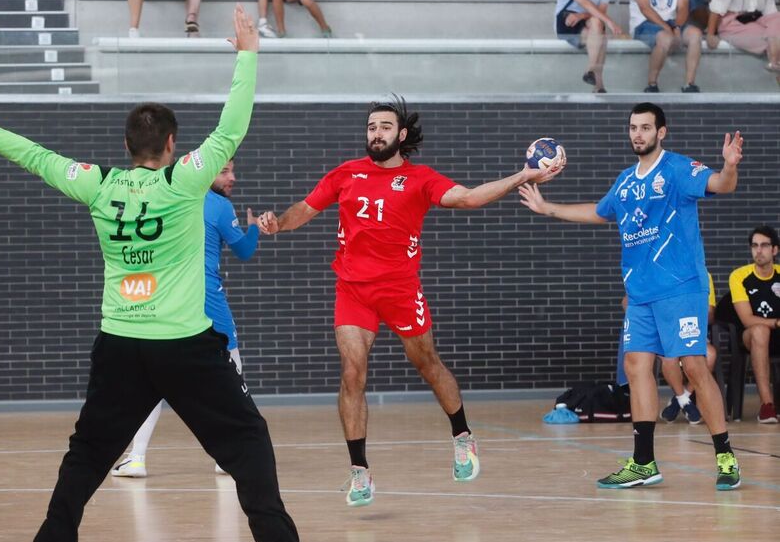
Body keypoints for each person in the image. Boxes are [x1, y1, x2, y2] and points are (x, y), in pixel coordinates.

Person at [0, 6, 302, 542]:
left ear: (127, 147)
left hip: (120, 345)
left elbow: (33, 156)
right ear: (171, 144)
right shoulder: (187, 180)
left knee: (88, 453)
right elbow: (232, 126)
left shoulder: (98, 185)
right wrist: (248, 53)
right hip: (186, 348)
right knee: (248, 443)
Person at [256, 95, 563, 507]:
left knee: (427, 364)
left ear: (400, 135)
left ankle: (462, 436)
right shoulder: (346, 174)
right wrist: (278, 224)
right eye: (371, 127)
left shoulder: (420, 179)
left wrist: (521, 176)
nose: (376, 134)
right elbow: (304, 210)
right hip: (353, 290)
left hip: (401, 290)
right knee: (352, 372)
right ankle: (359, 472)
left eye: (384, 127)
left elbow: (469, 198)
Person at [519, 102, 743, 490]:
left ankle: (724, 455)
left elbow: (722, 185)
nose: (637, 133)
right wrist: (548, 208)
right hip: (639, 294)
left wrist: (730, 166)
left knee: (692, 365)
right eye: (633, 127)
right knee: (637, 366)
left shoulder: (676, 170)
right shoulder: (625, 181)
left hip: (680, 288)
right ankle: (643, 463)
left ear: (662, 132)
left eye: (645, 127)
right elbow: (600, 211)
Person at [112, 158, 261, 477]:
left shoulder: (171, 197)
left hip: (170, 304)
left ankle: (136, 457)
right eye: (224, 171)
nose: (232, 177)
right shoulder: (219, 206)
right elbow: (245, 251)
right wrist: (255, 229)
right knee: (232, 377)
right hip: (209, 304)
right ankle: (228, 455)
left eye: (233, 170)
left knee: (153, 384)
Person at [629, 0, 704, 93]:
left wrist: (676, 26)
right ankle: (652, 84)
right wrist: (667, 28)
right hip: (644, 23)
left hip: (671, 22)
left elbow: (683, 5)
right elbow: (645, 8)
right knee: (665, 37)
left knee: (696, 34)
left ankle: (689, 84)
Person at [554, 0, 623, 93]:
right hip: (567, 21)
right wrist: (610, 22)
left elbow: (601, 10)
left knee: (598, 27)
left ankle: (591, 72)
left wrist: (581, 15)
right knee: (600, 32)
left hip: (587, 21)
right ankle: (599, 84)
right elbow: (584, 2)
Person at [729, 225, 780, 423]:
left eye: (764, 245)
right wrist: (775, 322)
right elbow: (747, 319)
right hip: (750, 337)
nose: (758, 250)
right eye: (754, 245)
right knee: (760, 331)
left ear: (775, 250)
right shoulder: (739, 276)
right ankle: (767, 406)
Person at [659, 272, 718, 424]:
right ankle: (684, 401)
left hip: (691, 329)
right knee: (668, 357)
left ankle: (680, 399)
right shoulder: (660, 274)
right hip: (668, 332)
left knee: (710, 354)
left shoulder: (703, 275)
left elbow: (710, 313)